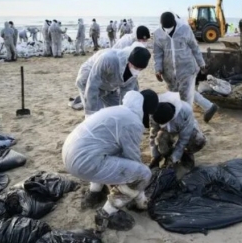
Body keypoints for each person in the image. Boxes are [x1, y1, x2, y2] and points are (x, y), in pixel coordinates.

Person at [62, 90, 159, 231]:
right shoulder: (132, 122)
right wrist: (140, 199)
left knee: (108, 154)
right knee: (143, 173)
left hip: (70, 153)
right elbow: (133, 160)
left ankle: (93, 194)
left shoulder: (117, 110)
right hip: (84, 162)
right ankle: (106, 213)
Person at [76, 44, 151, 118]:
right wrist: (91, 112)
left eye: (140, 69)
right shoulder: (108, 59)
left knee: (117, 113)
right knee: (96, 115)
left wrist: (126, 113)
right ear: (129, 61)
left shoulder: (133, 74)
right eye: (136, 67)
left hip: (110, 85)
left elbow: (126, 94)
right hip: (88, 79)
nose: (137, 71)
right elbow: (92, 84)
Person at [153, 11, 206, 107]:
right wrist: (158, 69)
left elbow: (195, 47)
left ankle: (187, 118)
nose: (168, 30)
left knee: (186, 97)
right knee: (173, 97)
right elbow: (157, 53)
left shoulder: (185, 29)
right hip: (169, 72)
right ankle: (178, 117)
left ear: (174, 23)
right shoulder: (158, 34)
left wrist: (201, 63)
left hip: (186, 69)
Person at [149, 91, 206, 168]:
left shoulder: (185, 111)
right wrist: (155, 156)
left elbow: (184, 139)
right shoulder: (154, 111)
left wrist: (173, 159)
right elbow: (153, 135)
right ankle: (166, 156)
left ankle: (186, 156)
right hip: (166, 130)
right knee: (160, 138)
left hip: (186, 128)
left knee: (197, 139)